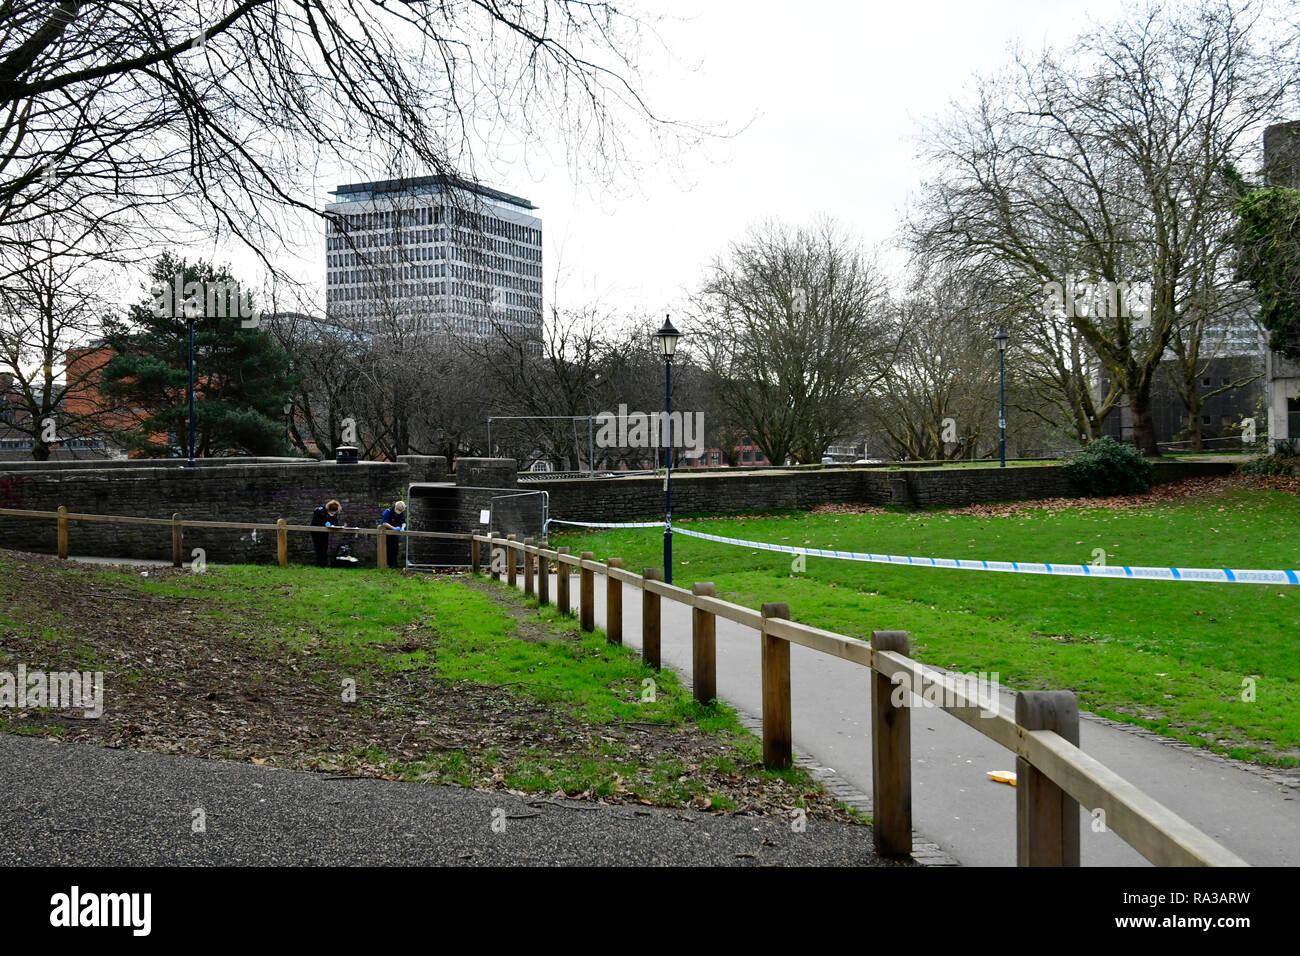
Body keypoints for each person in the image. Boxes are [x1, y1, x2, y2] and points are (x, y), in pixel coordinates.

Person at [311, 499, 342, 567]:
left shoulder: (334, 514)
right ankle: (319, 564)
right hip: (316, 532)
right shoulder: (320, 511)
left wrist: (333, 525)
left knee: (324, 547)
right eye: (331, 512)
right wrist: (324, 524)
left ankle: (323, 564)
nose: (333, 513)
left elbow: (335, 522)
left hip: (325, 532)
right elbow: (315, 522)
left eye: (334, 512)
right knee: (319, 548)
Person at [379, 500, 407, 568]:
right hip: (385, 533)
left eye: (401, 511)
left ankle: (394, 565)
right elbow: (384, 523)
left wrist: (403, 527)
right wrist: (393, 528)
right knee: (387, 549)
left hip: (394, 534)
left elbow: (403, 522)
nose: (399, 513)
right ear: (395, 507)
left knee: (395, 549)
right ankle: (386, 565)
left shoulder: (401, 513)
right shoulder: (388, 512)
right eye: (398, 511)